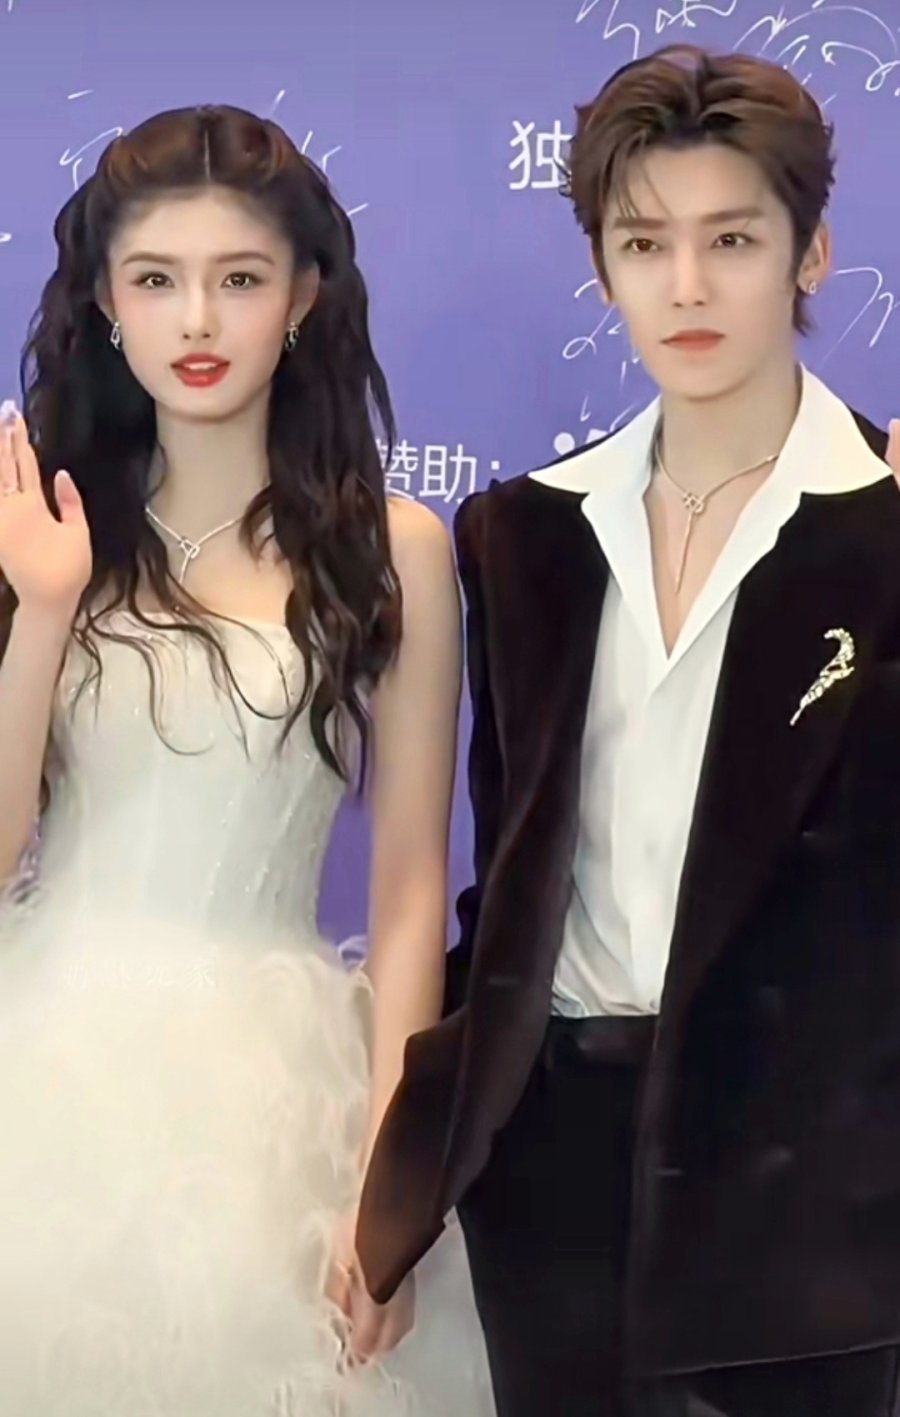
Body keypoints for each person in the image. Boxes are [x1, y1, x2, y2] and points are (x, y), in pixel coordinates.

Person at [358, 45, 900, 1417]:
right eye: (645, 243)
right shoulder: (522, 533)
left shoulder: (885, 521)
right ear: (602, 268)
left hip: (819, 1190)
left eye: (733, 240)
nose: (688, 285)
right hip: (555, 1180)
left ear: (812, 254)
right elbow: (511, 869)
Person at [0, 103, 493, 1417]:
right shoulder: (45, 529)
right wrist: (43, 610)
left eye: (239, 278)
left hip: (277, 1097)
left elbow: (408, 889)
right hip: (42, 1070)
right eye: (157, 280)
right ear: (106, 302)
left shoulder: (395, 552)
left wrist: (391, 1176)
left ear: (303, 297)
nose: (198, 321)